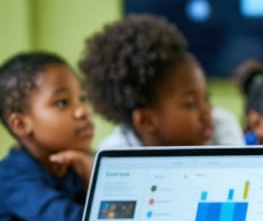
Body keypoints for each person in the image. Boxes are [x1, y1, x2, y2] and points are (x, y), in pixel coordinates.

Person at [78, 14, 243, 148]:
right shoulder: (115, 155)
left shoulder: (221, 127)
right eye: (191, 104)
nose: (208, 113)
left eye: (206, 98)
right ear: (146, 121)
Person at [0, 52, 94, 221]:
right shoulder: (12, 178)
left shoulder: (76, 162)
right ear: (21, 124)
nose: (83, 111)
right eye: (62, 103)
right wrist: (96, 180)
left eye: (83, 98)